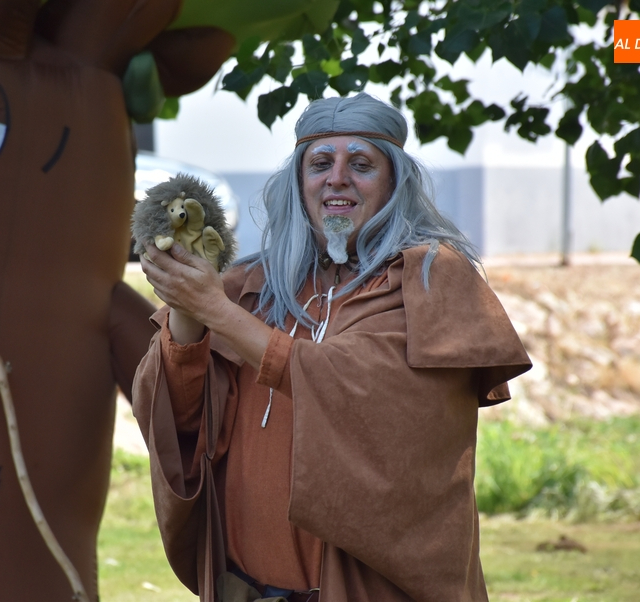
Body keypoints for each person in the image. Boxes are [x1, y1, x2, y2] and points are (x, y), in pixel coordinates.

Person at [131, 93, 532, 602]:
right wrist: (187, 306)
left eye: (361, 163)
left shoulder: (430, 279)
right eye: (320, 163)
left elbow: (355, 388)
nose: (337, 177)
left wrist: (215, 311)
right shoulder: (250, 286)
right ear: (299, 183)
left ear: (395, 183)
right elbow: (176, 418)